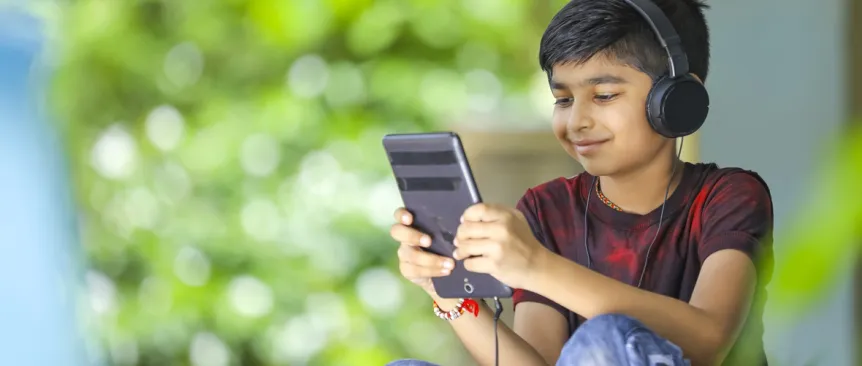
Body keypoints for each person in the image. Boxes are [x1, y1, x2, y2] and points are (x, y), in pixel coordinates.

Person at [387, 0, 773, 365]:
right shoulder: (546, 207)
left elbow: (709, 340)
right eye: (564, 99)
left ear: (675, 100)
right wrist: (451, 295)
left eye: (604, 95)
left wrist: (535, 265)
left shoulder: (728, 196)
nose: (577, 122)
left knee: (605, 337)